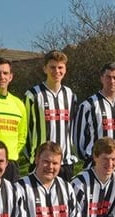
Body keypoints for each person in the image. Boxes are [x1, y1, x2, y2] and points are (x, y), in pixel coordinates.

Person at [24, 50, 78, 181]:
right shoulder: (32, 95)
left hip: (65, 163)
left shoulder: (70, 95)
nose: (56, 71)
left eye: (60, 67)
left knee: (63, 201)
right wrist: (32, 157)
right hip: (41, 163)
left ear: (65, 69)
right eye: (52, 67)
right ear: (45, 69)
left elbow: (74, 127)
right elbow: (25, 129)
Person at [74, 63, 115, 179]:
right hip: (96, 164)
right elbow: (78, 138)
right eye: (108, 77)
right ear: (102, 78)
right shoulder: (88, 105)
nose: (112, 81)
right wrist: (91, 157)